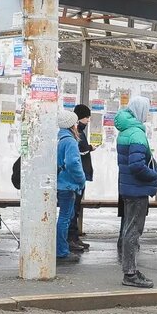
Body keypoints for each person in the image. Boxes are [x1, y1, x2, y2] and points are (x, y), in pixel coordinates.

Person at [114, 97, 157, 287]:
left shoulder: (125, 131)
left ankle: (130, 270)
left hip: (127, 187)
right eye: (146, 110)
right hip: (137, 189)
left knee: (128, 229)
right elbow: (137, 165)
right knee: (133, 231)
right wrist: (153, 175)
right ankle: (130, 274)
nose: (147, 114)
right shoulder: (137, 134)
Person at [56, 110, 87, 265]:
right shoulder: (70, 141)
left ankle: (60, 248)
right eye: (75, 122)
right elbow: (73, 163)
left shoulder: (59, 138)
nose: (77, 125)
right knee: (65, 218)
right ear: (71, 125)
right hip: (68, 185)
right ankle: (61, 251)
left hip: (60, 183)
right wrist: (81, 179)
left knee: (64, 217)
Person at [68, 104, 95, 253]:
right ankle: (70, 238)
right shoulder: (75, 132)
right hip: (77, 177)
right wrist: (89, 148)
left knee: (75, 208)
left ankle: (74, 237)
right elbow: (80, 151)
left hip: (80, 175)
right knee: (73, 208)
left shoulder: (78, 131)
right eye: (86, 117)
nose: (88, 120)